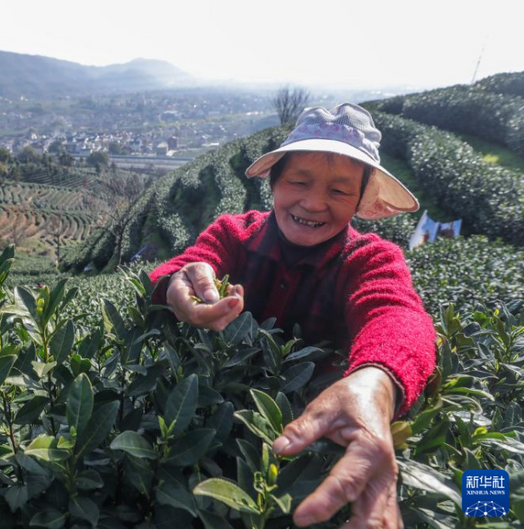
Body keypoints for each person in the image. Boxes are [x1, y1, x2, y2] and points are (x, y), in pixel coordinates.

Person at [148, 103, 436, 528]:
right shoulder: (234, 234)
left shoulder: (369, 259)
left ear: (359, 200)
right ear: (275, 182)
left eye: (339, 191)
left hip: (311, 451)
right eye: (299, 181)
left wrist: (375, 382)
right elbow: (189, 263)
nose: (314, 202)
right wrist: (180, 282)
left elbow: (397, 315)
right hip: (211, 434)